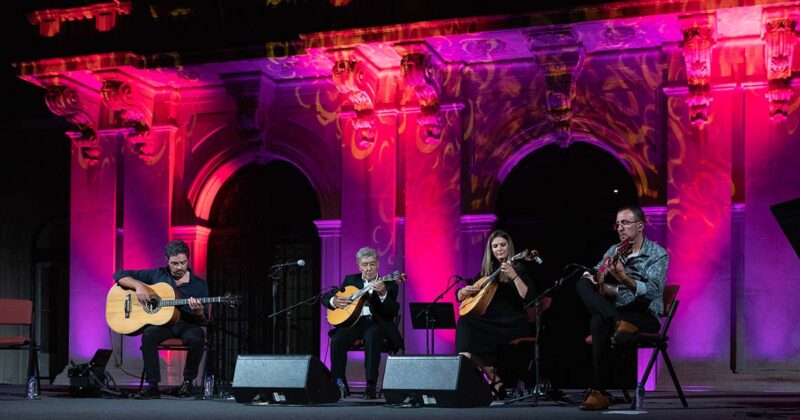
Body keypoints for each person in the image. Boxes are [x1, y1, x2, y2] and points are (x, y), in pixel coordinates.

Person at [576, 205, 668, 410]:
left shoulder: (657, 254)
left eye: (625, 223)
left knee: (598, 320)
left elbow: (653, 291)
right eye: (617, 224)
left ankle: (599, 391)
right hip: (620, 314)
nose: (620, 228)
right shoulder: (614, 250)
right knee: (581, 284)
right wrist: (595, 275)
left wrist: (623, 277)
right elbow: (598, 269)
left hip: (644, 314)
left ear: (640, 226)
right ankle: (617, 322)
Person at [113, 240, 209, 399]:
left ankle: (187, 383)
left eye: (183, 263)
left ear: (188, 260)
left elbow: (204, 320)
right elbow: (119, 275)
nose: (179, 267)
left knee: (197, 337)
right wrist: (139, 286)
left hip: (186, 325)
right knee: (149, 335)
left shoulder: (199, 285)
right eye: (175, 263)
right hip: (163, 324)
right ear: (167, 260)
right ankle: (153, 386)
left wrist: (199, 312)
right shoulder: (157, 275)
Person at [455, 230, 535, 400]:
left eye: (503, 245)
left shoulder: (519, 267)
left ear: (509, 247)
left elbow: (528, 297)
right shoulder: (487, 272)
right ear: (490, 249)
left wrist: (513, 276)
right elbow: (465, 291)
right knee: (465, 322)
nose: (499, 249)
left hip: (513, 323)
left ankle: (486, 378)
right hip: (491, 322)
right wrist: (462, 292)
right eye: (495, 246)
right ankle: (491, 377)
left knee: (470, 335)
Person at [322, 247, 403, 400]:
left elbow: (391, 311)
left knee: (372, 336)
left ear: (378, 264)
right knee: (338, 339)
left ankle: (371, 385)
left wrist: (383, 293)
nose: (368, 268)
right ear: (358, 265)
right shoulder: (351, 280)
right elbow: (328, 297)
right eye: (365, 265)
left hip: (376, 324)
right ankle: (339, 383)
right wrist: (334, 301)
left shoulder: (390, 283)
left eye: (372, 264)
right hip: (354, 324)